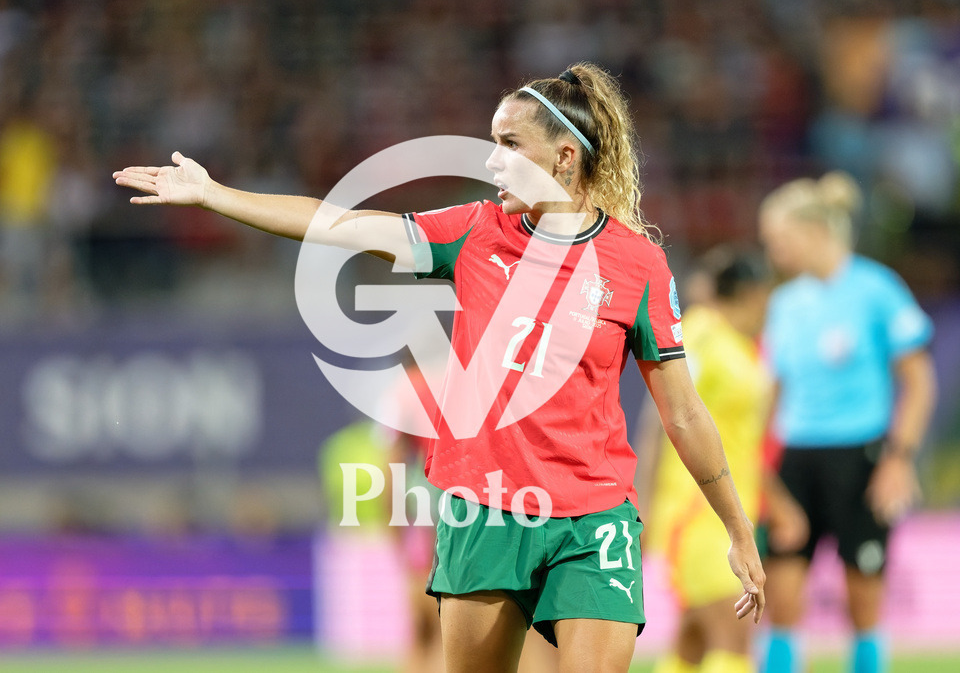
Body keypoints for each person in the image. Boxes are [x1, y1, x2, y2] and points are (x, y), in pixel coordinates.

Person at [114, 61, 765, 673]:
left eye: (510, 144)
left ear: (566, 158)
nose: (491, 161)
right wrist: (214, 194)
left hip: (594, 518)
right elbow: (337, 224)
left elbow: (681, 411)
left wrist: (738, 529)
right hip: (485, 510)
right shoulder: (474, 233)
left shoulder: (637, 265)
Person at [757, 172, 937, 673]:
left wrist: (898, 460)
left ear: (813, 233)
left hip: (861, 456)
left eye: (778, 240)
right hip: (795, 459)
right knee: (782, 597)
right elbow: (770, 397)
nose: (772, 252)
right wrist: (764, 471)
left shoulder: (877, 289)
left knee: (863, 597)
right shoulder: (784, 303)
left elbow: (920, 382)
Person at [636, 249, 773, 673]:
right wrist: (641, 495)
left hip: (734, 509)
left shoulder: (741, 345)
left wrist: (774, 500)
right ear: (752, 293)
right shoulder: (701, 334)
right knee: (731, 633)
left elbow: (742, 440)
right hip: (697, 513)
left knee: (695, 638)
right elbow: (661, 417)